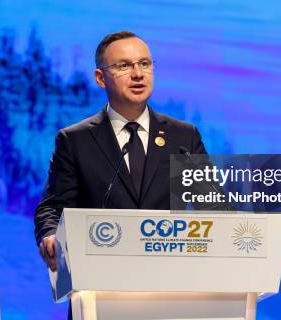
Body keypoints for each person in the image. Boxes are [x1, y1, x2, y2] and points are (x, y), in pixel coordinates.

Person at [34, 31, 207, 271]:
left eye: (144, 64)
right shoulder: (75, 140)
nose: (138, 74)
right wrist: (50, 235)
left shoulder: (183, 137)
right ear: (100, 78)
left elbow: (211, 206)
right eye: (124, 66)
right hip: (99, 280)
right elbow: (53, 207)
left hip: (171, 279)